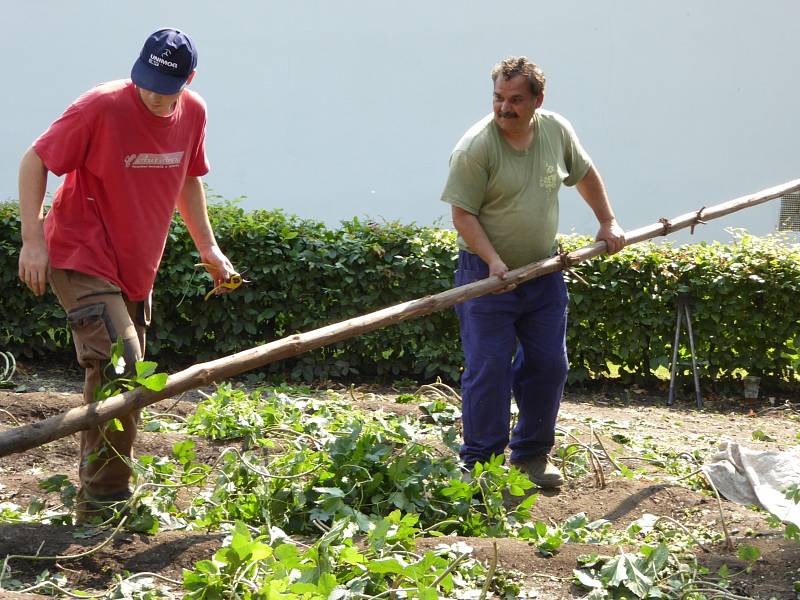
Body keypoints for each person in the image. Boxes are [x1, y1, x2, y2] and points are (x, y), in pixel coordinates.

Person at [17, 28, 237, 519]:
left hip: (135, 267)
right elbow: (36, 159)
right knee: (123, 361)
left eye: (168, 87)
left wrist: (210, 248)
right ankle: (105, 501)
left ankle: (95, 493)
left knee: (111, 372)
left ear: (189, 79)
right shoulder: (101, 106)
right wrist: (32, 240)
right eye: (148, 82)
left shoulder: (193, 112)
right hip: (79, 252)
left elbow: (189, 179)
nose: (156, 96)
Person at [440, 56, 625, 488]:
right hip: (487, 278)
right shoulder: (475, 147)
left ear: (539, 99)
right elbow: (462, 214)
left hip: (543, 272)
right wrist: (492, 260)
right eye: (498, 98)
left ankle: (531, 456)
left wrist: (608, 221)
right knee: (489, 368)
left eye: (516, 100)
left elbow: (584, 173)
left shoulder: (556, 130)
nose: (505, 108)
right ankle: (480, 465)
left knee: (549, 365)